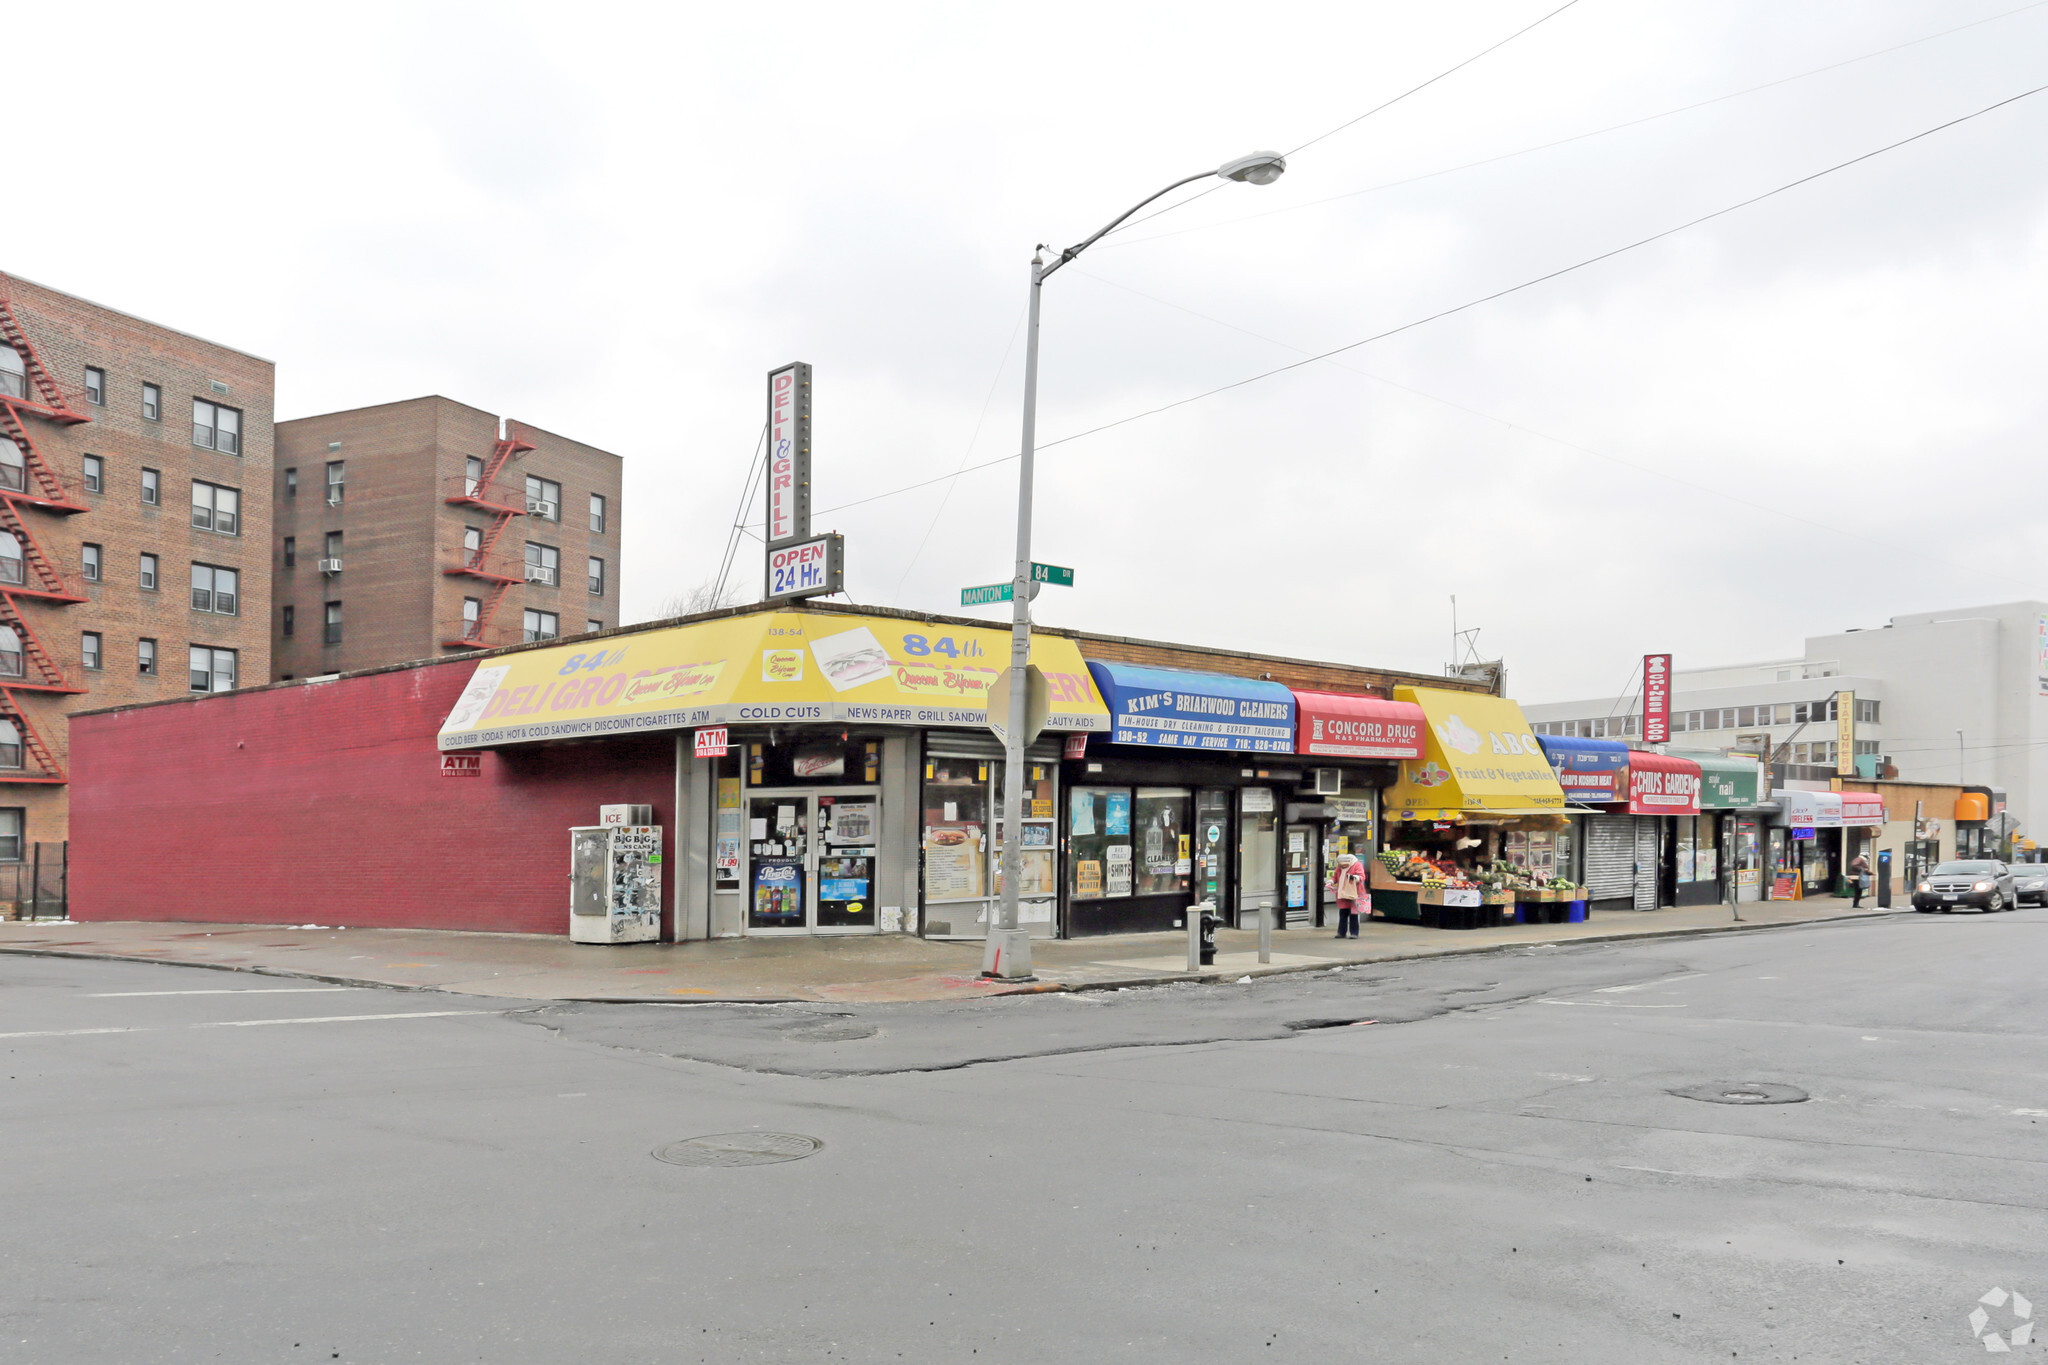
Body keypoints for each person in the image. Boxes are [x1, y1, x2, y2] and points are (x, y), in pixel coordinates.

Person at [1334, 853, 1369, 938]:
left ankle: (1354, 933)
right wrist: (1331, 881)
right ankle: (1341, 932)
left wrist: (1355, 877)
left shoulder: (1357, 865)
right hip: (1343, 893)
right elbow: (1335, 876)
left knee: (1354, 913)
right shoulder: (1340, 867)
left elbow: (1362, 876)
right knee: (1343, 913)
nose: (1342, 866)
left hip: (1355, 893)